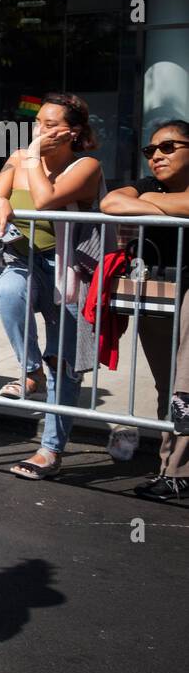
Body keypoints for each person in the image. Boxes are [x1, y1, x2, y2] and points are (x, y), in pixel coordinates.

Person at [0, 92, 105, 479]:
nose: (41, 131)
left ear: (74, 131)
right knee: (8, 294)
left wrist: (31, 156)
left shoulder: (86, 166)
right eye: (39, 123)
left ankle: (50, 450)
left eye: (51, 125)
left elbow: (46, 199)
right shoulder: (19, 159)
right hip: (24, 259)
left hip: (69, 269)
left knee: (64, 363)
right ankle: (30, 369)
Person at [100, 120, 189, 500]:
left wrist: (152, 207)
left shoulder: (151, 193)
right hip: (158, 291)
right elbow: (110, 202)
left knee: (186, 386)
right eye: (150, 150)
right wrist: (170, 206)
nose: (157, 156)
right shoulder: (148, 185)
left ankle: (179, 473)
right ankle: (168, 466)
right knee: (168, 386)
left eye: (168, 147)